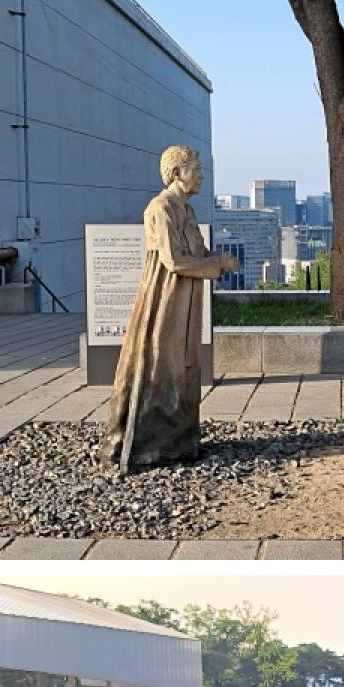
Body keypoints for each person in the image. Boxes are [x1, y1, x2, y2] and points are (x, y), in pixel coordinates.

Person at [99, 145, 238, 472]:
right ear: (177, 173)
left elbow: (199, 254)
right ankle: (145, 442)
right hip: (164, 299)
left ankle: (177, 441)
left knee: (184, 363)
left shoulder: (187, 211)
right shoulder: (161, 208)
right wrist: (218, 264)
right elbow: (173, 261)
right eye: (197, 169)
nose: (202, 175)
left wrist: (220, 262)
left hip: (187, 297)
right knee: (160, 363)